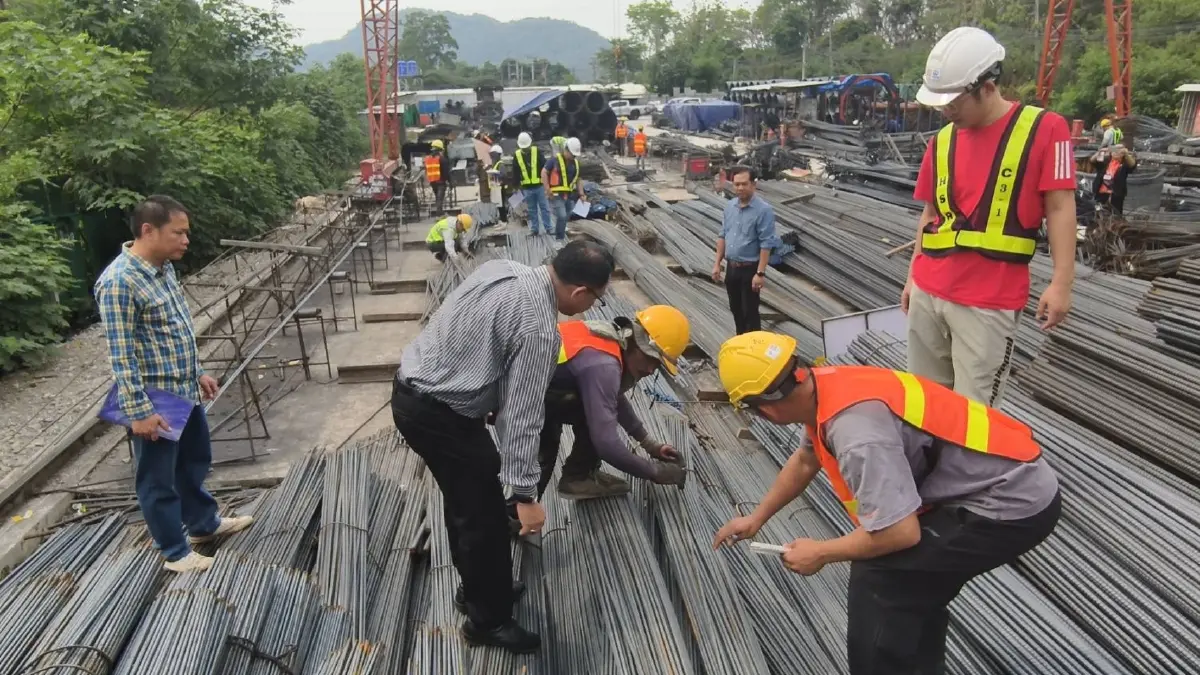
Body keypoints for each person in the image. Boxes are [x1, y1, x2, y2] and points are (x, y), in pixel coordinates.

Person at [712, 330, 1062, 675]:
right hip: (1002, 475)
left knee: (883, 577)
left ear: (767, 408)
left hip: (1008, 504)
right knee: (911, 582)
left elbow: (900, 533)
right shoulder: (826, 386)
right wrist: (757, 518)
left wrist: (820, 552)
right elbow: (806, 459)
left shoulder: (856, 435)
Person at [391, 240, 615, 653]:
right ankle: (487, 622)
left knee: (466, 503)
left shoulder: (503, 270)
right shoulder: (538, 328)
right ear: (580, 291)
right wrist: (526, 494)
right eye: (595, 299)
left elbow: (470, 333)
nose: (590, 307)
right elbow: (522, 418)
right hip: (441, 415)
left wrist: (487, 393)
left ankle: (477, 589)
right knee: (487, 518)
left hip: (414, 389)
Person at [904, 26, 1076, 407]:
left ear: (986, 85)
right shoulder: (942, 140)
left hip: (988, 300)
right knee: (924, 403)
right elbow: (930, 215)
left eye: (953, 102)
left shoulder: (1045, 129)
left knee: (975, 416)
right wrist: (912, 277)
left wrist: (1062, 283)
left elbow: (1061, 208)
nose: (946, 111)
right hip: (929, 290)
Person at [95, 196, 254, 573]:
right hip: (156, 399)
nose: (186, 240)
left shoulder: (164, 269)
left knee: (193, 463)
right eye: (178, 232)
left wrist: (198, 370)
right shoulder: (119, 282)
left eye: (186, 233)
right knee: (157, 479)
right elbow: (121, 355)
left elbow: (174, 330)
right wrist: (139, 412)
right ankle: (175, 552)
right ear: (148, 230)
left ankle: (204, 524)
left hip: (184, 388)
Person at [535, 305, 691, 500]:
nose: (651, 370)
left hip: (542, 389)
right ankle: (516, 518)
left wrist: (650, 445)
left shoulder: (612, 339)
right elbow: (606, 445)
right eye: (652, 359)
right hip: (522, 399)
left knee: (598, 409)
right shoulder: (603, 365)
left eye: (658, 365)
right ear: (639, 342)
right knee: (538, 466)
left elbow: (611, 396)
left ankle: (577, 478)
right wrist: (655, 472)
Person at [711, 166, 777, 335]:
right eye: (736, 184)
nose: (740, 188)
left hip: (750, 270)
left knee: (750, 313)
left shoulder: (763, 210)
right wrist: (717, 263)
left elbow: (766, 243)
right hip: (732, 268)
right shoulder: (729, 207)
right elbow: (722, 235)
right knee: (736, 310)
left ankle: (754, 347)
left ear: (753, 185)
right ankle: (741, 342)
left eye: (744, 184)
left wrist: (760, 273)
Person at [542, 136, 587, 245]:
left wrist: (581, 194)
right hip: (556, 194)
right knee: (561, 215)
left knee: (568, 214)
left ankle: (560, 229)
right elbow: (544, 172)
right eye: (572, 154)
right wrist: (547, 189)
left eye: (575, 155)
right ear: (566, 150)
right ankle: (559, 239)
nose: (573, 157)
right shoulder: (554, 160)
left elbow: (579, 179)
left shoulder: (575, 163)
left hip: (570, 194)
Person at [513, 133, 551, 236]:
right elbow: (515, 171)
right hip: (527, 188)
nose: (525, 149)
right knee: (532, 210)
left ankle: (548, 228)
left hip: (539, 186)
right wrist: (515, 187)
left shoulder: (537, 151)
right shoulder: (517, 155)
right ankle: (534, 230)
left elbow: (545, 167)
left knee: (544, 208)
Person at [1091, 144, 1137, 216]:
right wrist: (1099, 152)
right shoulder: (1106, 160)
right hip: (1101, 192)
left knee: (1115, 214)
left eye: (1118, 151)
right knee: (1098, 212)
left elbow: (1132, 165)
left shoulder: (1125, 163)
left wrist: (1126, 154)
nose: (1115, 153)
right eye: (1114, 150)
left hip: (1116, 193)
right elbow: (1092, 161)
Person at [425, 139, 450, 215]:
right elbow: (446, 172)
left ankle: (440, 212)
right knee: (440, 198)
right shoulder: (442, 159)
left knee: (438, 198)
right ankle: (439, 214)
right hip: (441, 181)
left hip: (433, 182)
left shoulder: (428, 159)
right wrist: (449, 181)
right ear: (439, 150)